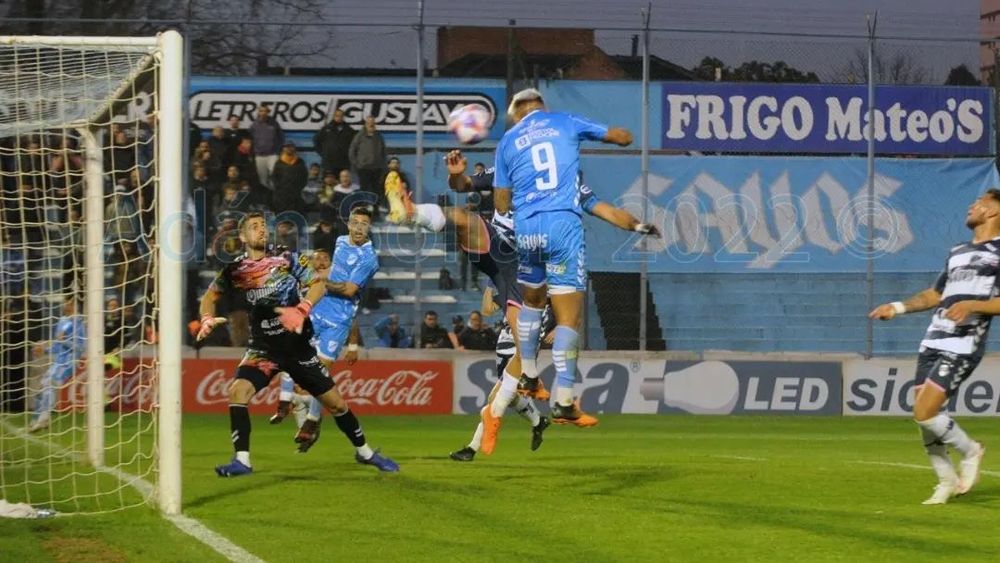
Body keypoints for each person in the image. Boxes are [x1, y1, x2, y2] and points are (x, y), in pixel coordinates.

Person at [386, 147, 658, 453]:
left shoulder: (567, 185)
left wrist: (636, 225)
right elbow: (461, 187)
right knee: (463, 218)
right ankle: (411, 214)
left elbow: (606, 210)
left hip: (525, 266)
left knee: (522, 346)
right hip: (498, 248)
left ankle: (497, 414)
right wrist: (455, 173)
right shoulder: (507, 170)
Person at [197, 211, 398, 476]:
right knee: (237, 392)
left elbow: (317, 284)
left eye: (263, 226)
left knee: (336, 404)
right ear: (243, 236)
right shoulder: (236, 269)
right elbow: (210, 296)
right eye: (254, 227)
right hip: (263, 348)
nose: (262, 230)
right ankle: (242, 461)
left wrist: (303, 308)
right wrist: (207, 318)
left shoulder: (286, 256)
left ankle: (365, 452)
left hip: (297, 346)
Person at [493, 87, 633, 427]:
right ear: (541, 106)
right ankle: (566, 400)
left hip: (527, 229)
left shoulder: (507, 142)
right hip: (562, 224)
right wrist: (622, 136)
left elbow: (500, 204)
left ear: (517, 112)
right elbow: (619, 137)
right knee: (569, 318)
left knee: (533, 300)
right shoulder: (565, 121)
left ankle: (528, 374)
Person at [868, 191, 1000, 504]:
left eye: (980, 202)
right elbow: (935, 295)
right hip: (933, 340)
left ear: (995, 211)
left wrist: (972, 304)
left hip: (963, 342)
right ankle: (945, 481)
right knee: (924, 416)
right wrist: (897, 307)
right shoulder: (957, 252)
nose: (972, 205)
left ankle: (970, 451)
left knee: (924, 411)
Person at [29, 298, 85, 432]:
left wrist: (65, 340)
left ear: (76, 306)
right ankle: (36, 419)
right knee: (42, 388)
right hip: (58, 361)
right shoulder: (62, 321)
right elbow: (57, 345)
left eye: (70, 303)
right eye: (65, 302)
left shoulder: (79, 324)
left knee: (49, 383)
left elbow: (80, 348)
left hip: (70, 362)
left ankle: (43, 419)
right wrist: (44, 350)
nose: (66, 305)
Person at [313, 108, 354, 178]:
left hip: (344, 164)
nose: (339, 118)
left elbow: (354, 146)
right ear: (334, 116)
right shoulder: (326, 129)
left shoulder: (349, 130)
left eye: (341, 116)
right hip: (329, 164)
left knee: (342, 185)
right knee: (328, 186)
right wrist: (323, 153)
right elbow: (316, 141)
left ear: (343, 117)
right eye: (337, 116)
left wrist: (350, 156)